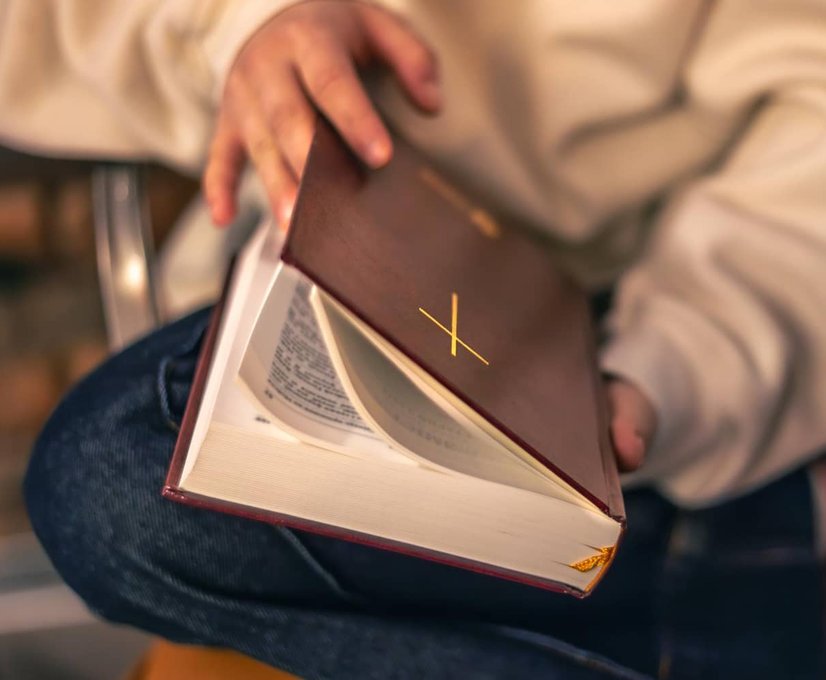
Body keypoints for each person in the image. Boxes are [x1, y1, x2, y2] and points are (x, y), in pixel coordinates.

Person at [4, 0, 826, 677]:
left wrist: (678, 362)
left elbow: (809, 129)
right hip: (336, 249)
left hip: (645, 339)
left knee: (110, 474)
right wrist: (245, 26)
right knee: (118, 480)